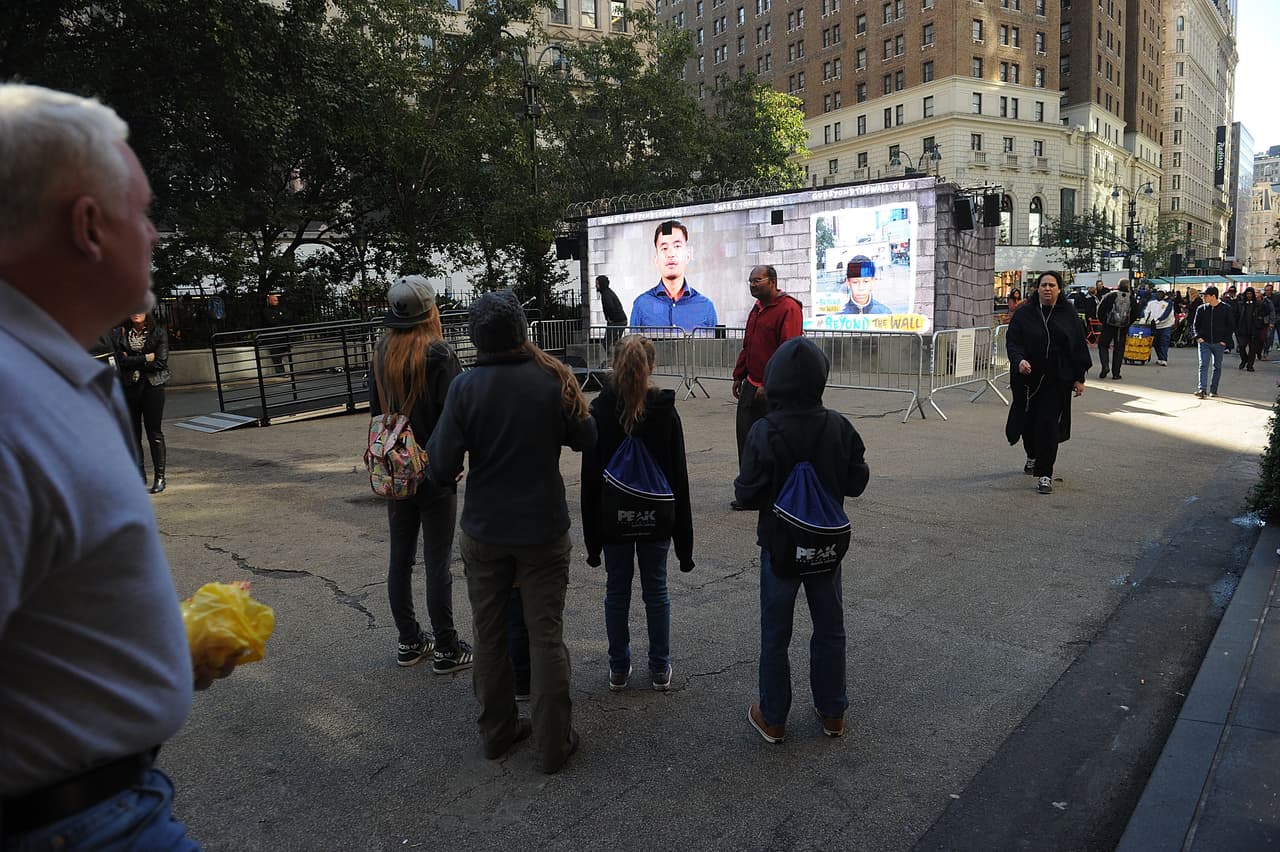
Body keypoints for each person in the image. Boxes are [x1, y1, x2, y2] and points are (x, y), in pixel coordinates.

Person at [0, 83, 233, 849]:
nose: (156, 232)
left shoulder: (39, 371)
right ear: (89, 227)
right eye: (143, 211)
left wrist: (152, 651)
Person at [425, 290, 596, 774]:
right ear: (522, 330)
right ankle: (553, 744)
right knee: (546, 637)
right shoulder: (552, 378)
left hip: (485, 529)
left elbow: (440, 465)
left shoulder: (464, 387)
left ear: (476, 337)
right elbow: (587, 437)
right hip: (542, 528)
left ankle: (497, 734)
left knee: (489, 634)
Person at [734, 337, 870, 743]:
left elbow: (747, 494)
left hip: (780, 544)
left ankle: (774, 716)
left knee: (776, 632)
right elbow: (857, 482)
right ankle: (832, 712)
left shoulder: (764, 430)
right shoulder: (839, 426)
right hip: (825, 543)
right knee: (830, 626)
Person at [368, 275, 472, 672]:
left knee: (400, 559)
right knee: (437, 562)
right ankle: (447, 647)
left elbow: (377, 412)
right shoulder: (440, 354)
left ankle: (409, 640)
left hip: (396, 470)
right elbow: (456, 414)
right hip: (433, 469)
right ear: (430, 312)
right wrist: (452, 463)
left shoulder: (381, 353)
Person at [581, 335, 695, 692]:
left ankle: (618, 667)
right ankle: (659, 667)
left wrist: (592, 544)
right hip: (656, 516)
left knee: (617, 591)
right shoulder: (664, 411)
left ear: (614, 365)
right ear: (653, 366)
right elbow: (678, 476)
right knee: (656, 590)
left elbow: (590, 481)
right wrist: (685, 547)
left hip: (613, 518)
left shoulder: (600, 410)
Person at [1004, 271, 1092, 495]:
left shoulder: (1068, 314)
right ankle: (1032, 455)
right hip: (1028, 380)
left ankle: (1045, 473)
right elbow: (1013, 342)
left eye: (1052, 285)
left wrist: (1079, 378)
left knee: (1048, 425)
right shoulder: (1024, 313)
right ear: (1037, 288)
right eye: (1043, 285)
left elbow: (1078, 347)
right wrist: (1019, 360)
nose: (1047, 289)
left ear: (1059, 289)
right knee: (1028, 424)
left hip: (1057, 380)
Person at [730, 265, 803, 510]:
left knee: (773, 443)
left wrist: (769, 383)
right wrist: (739, 375)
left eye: (757, 280)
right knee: (746, 439)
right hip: (751, 384)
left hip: (774, 389)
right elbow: (748, 345)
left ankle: (776, 493)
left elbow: (788, 352)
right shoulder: (756, 309)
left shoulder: (788, 308)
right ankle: (749, 492)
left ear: (772, 282)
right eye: (750, 281)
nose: (752, 285)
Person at [111, 309, 171, 493]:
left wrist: (132, 360)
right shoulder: (121, 333)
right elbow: (120, 361)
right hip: (130, 387)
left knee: (154, 433)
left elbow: (160, 362)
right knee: (133, 433)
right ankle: (139, 475)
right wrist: (146, 358)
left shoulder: (158, 333)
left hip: (153, 386)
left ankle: (160, 477)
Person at [628, 220, 718, 332]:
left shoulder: (706, 307)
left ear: (687, 256)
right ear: (656, 259)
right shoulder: (641, 305)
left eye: (677, 246)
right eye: (664, 248)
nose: (670, 254)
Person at [1190, 285, 1235, 399]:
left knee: (1217, 366)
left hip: (1219, 343)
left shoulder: (1226, 308)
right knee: (1203, 365)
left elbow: (1230, 326)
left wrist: (1225, 340)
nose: (1203, 298)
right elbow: (1195, 325)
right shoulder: (1201, 309)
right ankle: (1202, 389)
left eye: (1206, 296)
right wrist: (1198, 337)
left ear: (1213, 296)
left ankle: (1214, 390)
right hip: (1204, 342)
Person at [1095, 279, 1134, 380]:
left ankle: (1105, 366)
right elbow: (1135, 313)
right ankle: (1116, 373)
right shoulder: (1131, 298)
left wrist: (1104, 321)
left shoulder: (1111, 295)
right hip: (1122, 328)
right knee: (1119, 349)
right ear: (1128, 287)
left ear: (1118, 286)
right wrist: (1127, 324)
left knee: (1103, 345)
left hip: (1108, 325)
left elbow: (1100, 310)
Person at [1234, 287, 1272, 372]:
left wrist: (1260, 317)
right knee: (1241, 346)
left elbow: (1268, 310)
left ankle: (1250, 365)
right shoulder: (1240, 304)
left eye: (1250, 294)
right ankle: (1244, 360)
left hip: (1254, 329)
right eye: (1247, 294)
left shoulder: (1258, 304)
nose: (1249, 295)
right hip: (1243, 329)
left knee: (1253, 349)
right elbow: (1235, 314)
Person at [262, 291, 292, 374]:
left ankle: (286, 370)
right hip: (273, 337)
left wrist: (277, 316)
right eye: (274, 300)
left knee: (284, 352)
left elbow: (288, 318)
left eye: (277, 300)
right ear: (270, 301)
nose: (276, 302)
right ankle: (280, 371)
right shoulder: (266, 310)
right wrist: (280, 316)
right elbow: (271, 321)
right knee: (276, 354)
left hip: (283, 336)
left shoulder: (282, 308)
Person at [596, 274, 627, 352]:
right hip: (620, 320)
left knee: (607, 343)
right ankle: (618, 356)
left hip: (617, 321)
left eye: (597, 284)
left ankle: (611, 357)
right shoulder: (607, 292)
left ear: (601, 284)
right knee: (614, 342)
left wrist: (610, 318)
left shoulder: (606, 294)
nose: (596, 286)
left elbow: (610, 307)